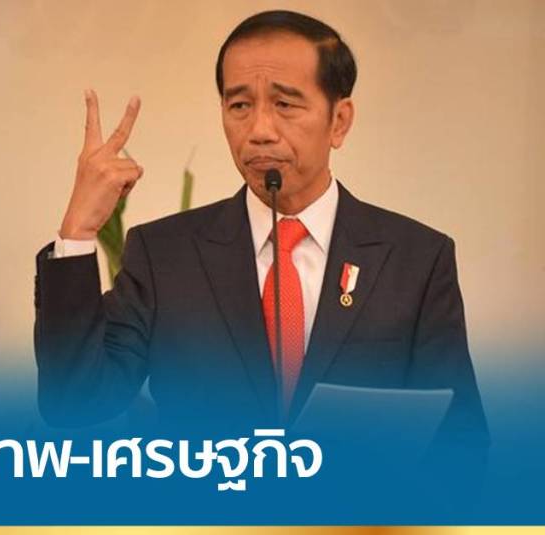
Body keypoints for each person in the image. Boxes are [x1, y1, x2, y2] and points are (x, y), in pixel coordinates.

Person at [33, 10, 489, 456]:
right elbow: (74, 402)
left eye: (285, 104)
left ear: (339, 121)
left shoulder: (415, 260)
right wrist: (78, 232)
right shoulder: (165, 255)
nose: (259, 131)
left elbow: (460, 442)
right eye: (240, 106)